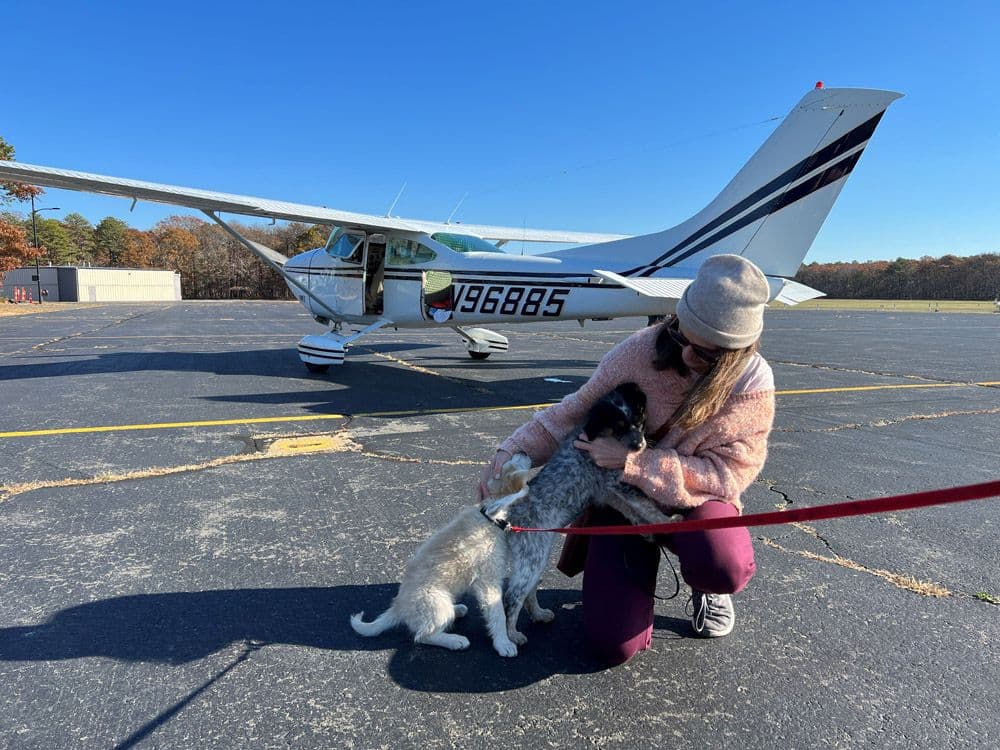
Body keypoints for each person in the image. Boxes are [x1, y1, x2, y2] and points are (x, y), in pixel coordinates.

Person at [478, 254, 775, 665]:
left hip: (692, 503)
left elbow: (728, 476)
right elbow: (570, 414)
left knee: (722, 561)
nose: (686, 355)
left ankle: (706, 587)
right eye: (679, 336)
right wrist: (510, 452)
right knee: (613, 645)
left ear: (736, 353)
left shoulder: (751, 384)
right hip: (620, 500)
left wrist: (634, 462)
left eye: (706, 355)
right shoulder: (639, 350)